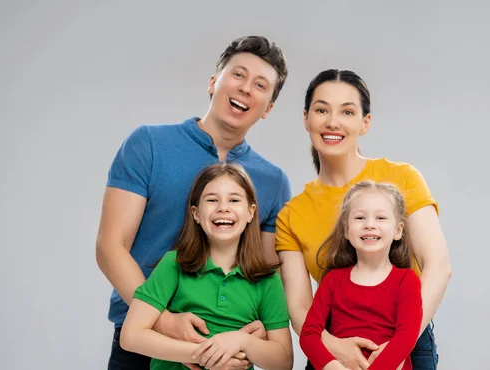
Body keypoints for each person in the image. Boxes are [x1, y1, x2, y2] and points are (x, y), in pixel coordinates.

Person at [96, 35, 291, 369]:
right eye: (238, 75)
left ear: (268, 108)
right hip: (143, 340)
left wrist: (256, 335)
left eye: (260, 85)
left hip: (227, 350)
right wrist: (165, 322)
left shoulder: (273, 181)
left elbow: (262, 269)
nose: (246, 88)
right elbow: (110, 246)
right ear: (214, 82)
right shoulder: (149, 144)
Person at [276, 69, 451, 370]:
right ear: (306, 118)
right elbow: (300, 306)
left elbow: (438, 267)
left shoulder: (402, 178)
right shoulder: (292, 215)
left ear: (365, 122)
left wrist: (396, 347)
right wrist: (333, 350)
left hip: (404, 344)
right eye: (321, 110)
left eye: (347, 111)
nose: (333, 121)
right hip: (329, 349)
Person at [120, 163, 293, 370]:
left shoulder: (266, 279)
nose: (223, 207)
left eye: (234, 200)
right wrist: (201, 354)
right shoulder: (173, 265)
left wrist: (241, 341)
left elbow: (283, 361)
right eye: (212, 200)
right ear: (196, 214)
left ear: (250, 212)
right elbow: (131, 336)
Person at [299, 181, 422, 370]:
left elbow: (406, 337)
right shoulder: (332, 280)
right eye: (359, 218)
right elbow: (309, 334)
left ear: (398, 230)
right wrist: (333, 367)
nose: (369, 225)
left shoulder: (407, 281)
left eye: (380, 217)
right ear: (347, 230)